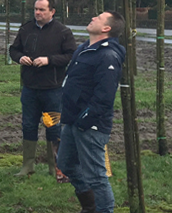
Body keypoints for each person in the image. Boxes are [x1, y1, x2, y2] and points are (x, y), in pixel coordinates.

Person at [57, 11, 126, 213]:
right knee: (66, 164)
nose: (93, 18)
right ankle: (90, 206)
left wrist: (85, 119)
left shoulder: (108, 56)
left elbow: (104, 97)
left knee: (96, 176)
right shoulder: (84, 49)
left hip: (90, 125)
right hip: (72, 121)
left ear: (107, 28)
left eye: (99, 17)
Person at [9, 0, 76, 180]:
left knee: (53, 127)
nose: (37, 13)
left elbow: (71, 55)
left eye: (42, 10)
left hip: (53, 89)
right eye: (36, 9)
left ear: (52, 11)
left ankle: (55, 167)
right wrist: (19, 57)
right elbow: (13, 49)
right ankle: (27, 166)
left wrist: (49, 60)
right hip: (30, 88)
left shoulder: (62, 32)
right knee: (28, 125)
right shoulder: (26, 29)